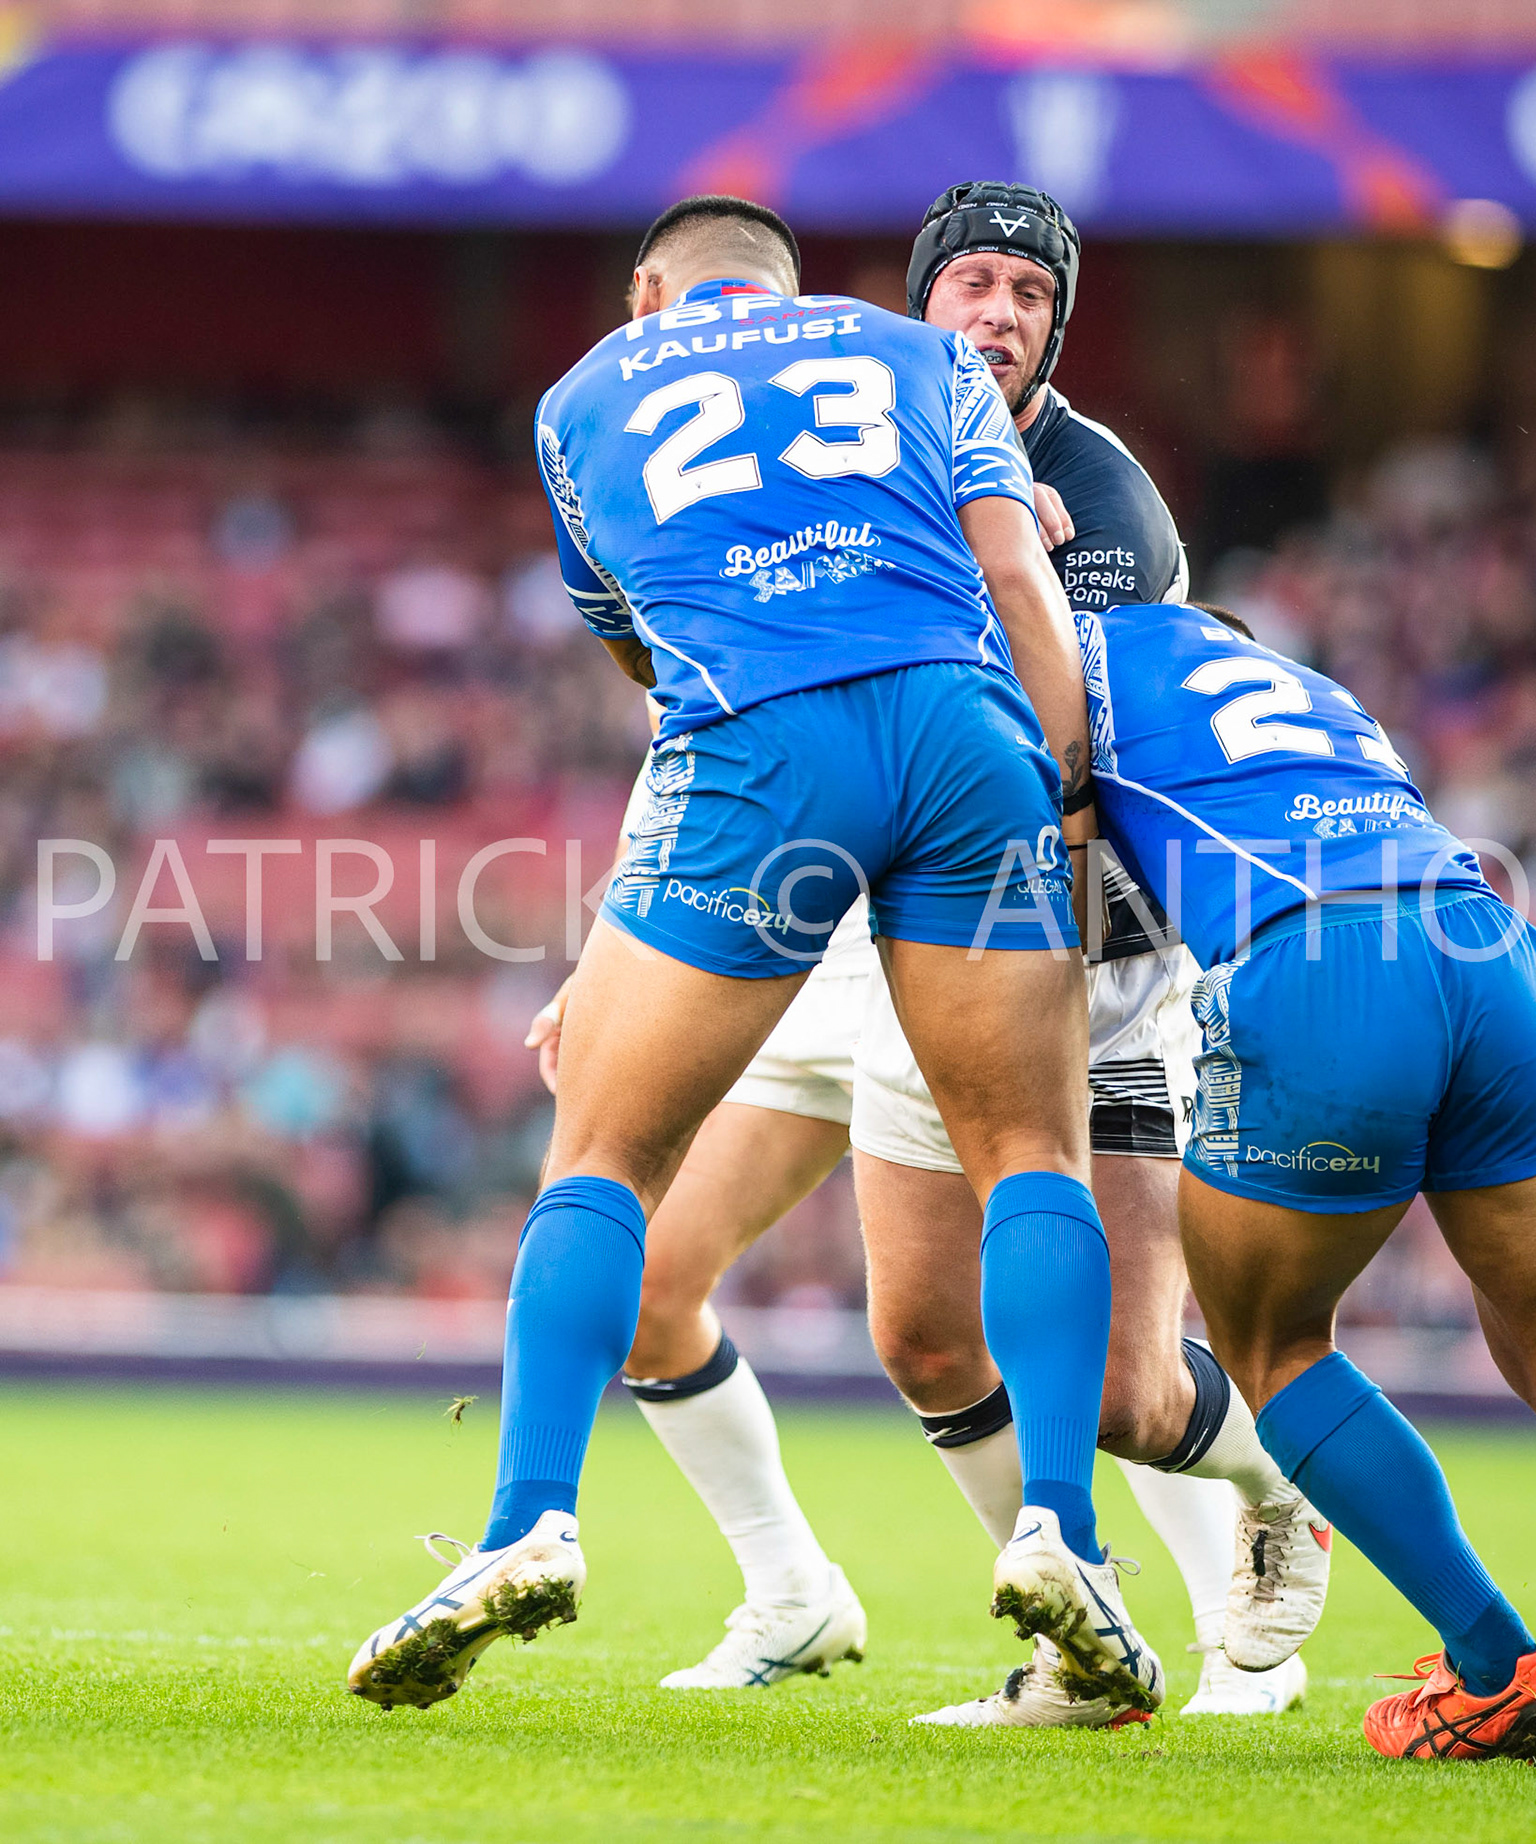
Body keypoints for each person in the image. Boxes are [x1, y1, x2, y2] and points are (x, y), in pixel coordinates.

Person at [346, 194, 1162, 1718]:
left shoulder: (586, 392)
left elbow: (644, 650)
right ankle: (1066, 1535)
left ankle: (529, 1522)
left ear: (653, 290)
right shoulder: (916, 355)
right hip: (961, 738)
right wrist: (1051, 782)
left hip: (762, 762)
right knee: (1030, 1157)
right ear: (798, 287)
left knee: (601, 1164)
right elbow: (1014, 579)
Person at [527, 184, 1329, 1721]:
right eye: (971, 282)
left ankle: (1251, 1533)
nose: (1000, 311)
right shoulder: (831, 428)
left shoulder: (1102, 498)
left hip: (998, 917)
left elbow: (1095, 725)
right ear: (912, 307)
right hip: (817, 920)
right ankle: (797, 1590)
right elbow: (709, 701)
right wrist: (612, 946)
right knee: (663, 1282)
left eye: (1033, 293)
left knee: (1095, 1375)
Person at [1069, 596, 1536, 1776]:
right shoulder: (1314, 694)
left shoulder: (1083, 659)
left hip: (1317, 964)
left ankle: (1496, 1661)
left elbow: (1059, 862)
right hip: (1486, 946)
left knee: (1274, 1349)